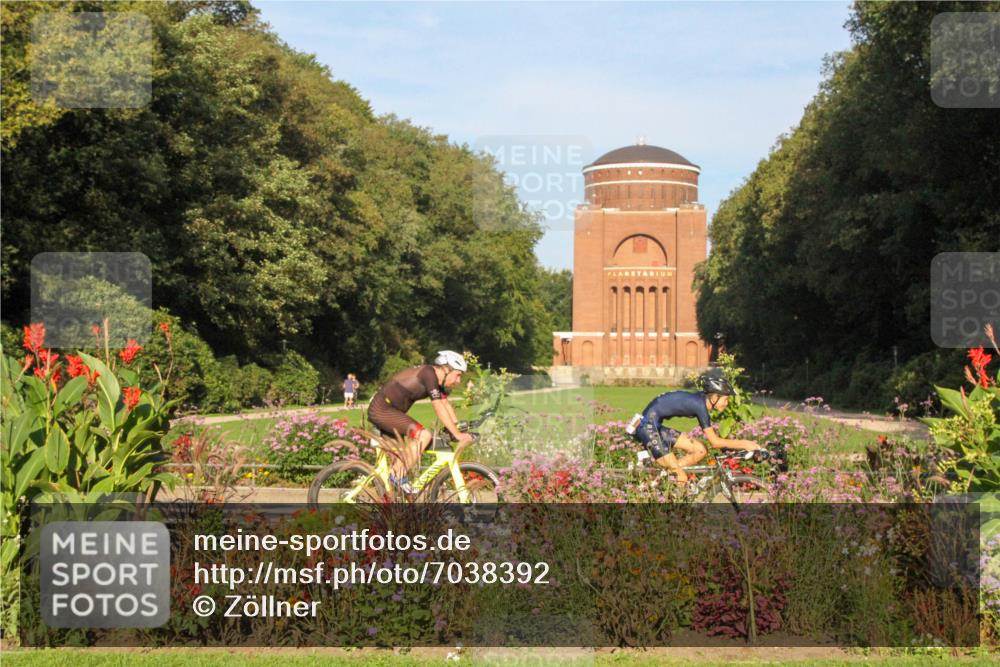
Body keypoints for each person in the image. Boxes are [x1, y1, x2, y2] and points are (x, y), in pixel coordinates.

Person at [366, 351, 472, 492]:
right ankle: (396, 477)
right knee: (424, 435)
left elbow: (445, 404)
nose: (458, 381)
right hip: (382, 409)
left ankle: (390, 497)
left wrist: (457, 427)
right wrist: (456, 434)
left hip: (390, 411)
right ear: (447, 369)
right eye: (458, 375)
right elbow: (438, 406)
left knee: (400, 460)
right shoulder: (428, 374)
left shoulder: (435, 381)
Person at [631, 369, 760, 484]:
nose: (726, 403)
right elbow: (715, 442)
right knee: (681, 477)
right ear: (714, 397)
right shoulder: (700, 406)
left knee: (700, 450)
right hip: (646, 427)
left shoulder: (701, 400)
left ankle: (665, 475)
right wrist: (744, 443)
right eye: (725, 400)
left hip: (654, 426)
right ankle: (673, 504)